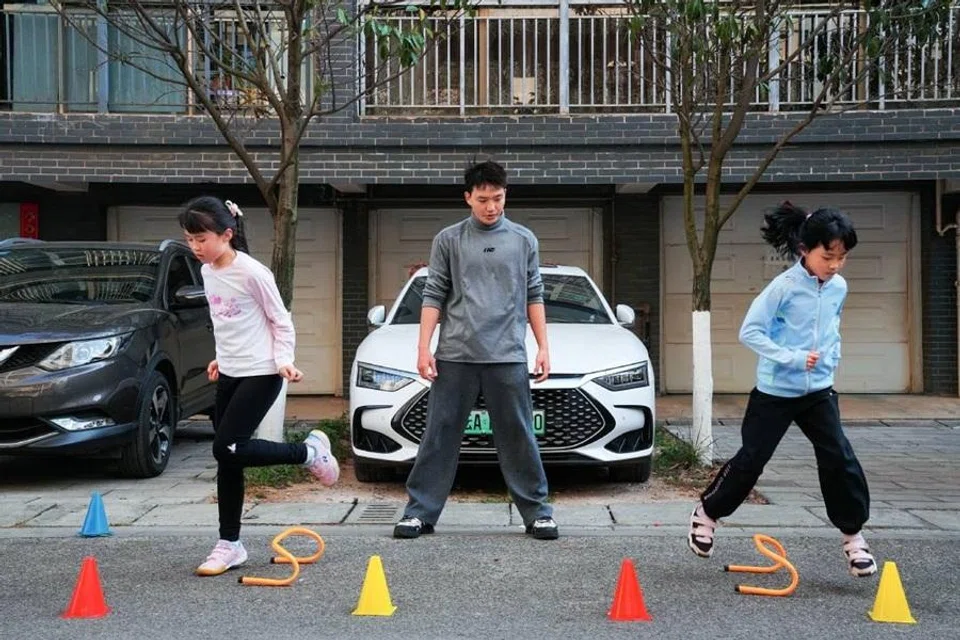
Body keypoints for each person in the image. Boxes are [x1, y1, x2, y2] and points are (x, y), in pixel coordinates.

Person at [687, 202, 877, 578]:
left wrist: (831, 358)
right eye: (828, 257)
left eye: (842, 257)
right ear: (805, 250)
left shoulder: (838, 287)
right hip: (775, 392)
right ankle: (707, 513)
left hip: (818, 391)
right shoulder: (784, 288)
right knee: (752, 459)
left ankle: (854, 537)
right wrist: (791, 357)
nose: (835, 265)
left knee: (839, 457)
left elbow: (832, 329)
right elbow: (750, 332)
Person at [393, 160, 559, 541]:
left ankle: (538, 514)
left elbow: (534, 293)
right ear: (468, 197)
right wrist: (423, 348)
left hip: (507, 355)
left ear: (505, 195)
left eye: (497, 198)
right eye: (483, 199)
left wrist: (543, 347)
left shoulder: (524, 240)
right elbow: (433, 294)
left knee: (519, 435)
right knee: (439, 434)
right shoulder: (448, 240)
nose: (491, 207)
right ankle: (418, 513)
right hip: (456, 355)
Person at [178, 196, 339, 576]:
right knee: (229, 458)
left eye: (201, 239)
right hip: (231, 371)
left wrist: (284, 360)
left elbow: (280, 320)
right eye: (190, 240)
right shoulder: (207, 272)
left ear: (226, 234)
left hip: (263, 371)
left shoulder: (253, 273)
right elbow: (227, 322)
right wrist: (220, 357)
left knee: (226, 446)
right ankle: (230, 544)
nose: (195, 247)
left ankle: (308, 452)